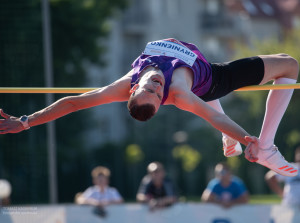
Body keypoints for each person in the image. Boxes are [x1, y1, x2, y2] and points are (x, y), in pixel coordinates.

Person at [0, 38, 299, 176]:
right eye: (159, 94)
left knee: (207, 104)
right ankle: (268, 145)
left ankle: (232, 142)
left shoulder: (126, 81)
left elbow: (74, 102)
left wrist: (26, 121)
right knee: (289, 65)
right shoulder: (179, 92)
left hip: (201, 69)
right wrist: (251, 141)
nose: (157, 87)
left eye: (150, 89)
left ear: (134, 89)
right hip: (214, 80)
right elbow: (209, 116)